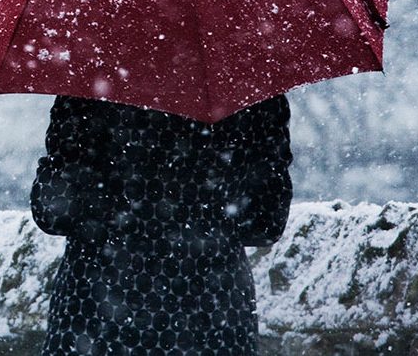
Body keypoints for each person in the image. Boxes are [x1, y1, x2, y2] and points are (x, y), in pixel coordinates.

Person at [30, 93, 293, 356]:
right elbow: (265, 223)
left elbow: (53, 214)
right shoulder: (249, 88)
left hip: (97, 314)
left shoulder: (89, 83)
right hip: (212, 316)